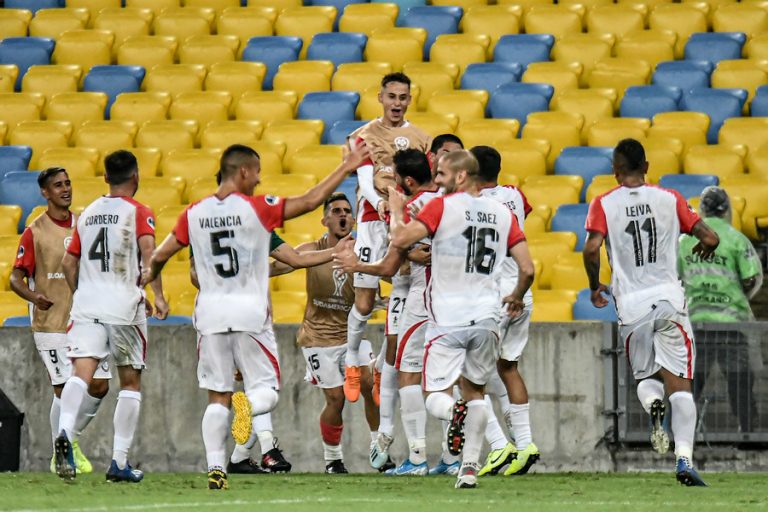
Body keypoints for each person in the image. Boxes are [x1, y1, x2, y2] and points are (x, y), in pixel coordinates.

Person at [143, 142, 369, 490]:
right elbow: (310, 202)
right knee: (266, 392)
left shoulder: (193, 213)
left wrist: (156, 292)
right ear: (244, 171)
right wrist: (346, 166)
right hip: (250, 314)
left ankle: (216, 467)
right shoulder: (257, 209)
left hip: (209, 315)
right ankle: (248, 407)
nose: (259, 180)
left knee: (217, 397)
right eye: (257, 173)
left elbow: (159, 256)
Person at [391, 150, 534, 488]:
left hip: (447, 318)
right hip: (487, 318)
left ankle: (453, 412)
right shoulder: (503, 212)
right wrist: (516, 294)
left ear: (460, 176)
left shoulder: (441, 207)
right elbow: (527, 268)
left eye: (441, 173)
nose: (436, 180)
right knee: (476, 393)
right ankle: (468, 469)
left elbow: (400, 240)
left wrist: (397, 210)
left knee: (435, 395)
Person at [583, 138, 719, 487]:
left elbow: (592, 247)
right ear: (646, 167)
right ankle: (684, 459)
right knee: (681, 385)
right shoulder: (670, 198)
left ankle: (653, 403)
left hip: (632, 305)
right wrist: (706, 245)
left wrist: (595, 285)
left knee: (645, 378)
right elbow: (709, 237)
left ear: (615, 171)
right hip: (669, 300)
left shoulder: (603, 203)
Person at [55, 150, 170, 482]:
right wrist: (157, 296)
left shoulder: (87, 213)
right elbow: (150, 256)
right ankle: (119, 462)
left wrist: (82, 292)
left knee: (81, 372)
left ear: (105, 177)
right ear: (136, 176)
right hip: (123, 305)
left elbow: (68, 263)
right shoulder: (139, 212)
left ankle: (65, 432)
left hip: (87, 304)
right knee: (130, 382)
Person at [10, 167, 110, 475]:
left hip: (86, 320)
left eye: (68, 183)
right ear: (45, 193)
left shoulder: (84, 225)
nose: (65, 189)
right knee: (65, 389)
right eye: (57, 185)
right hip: (51, 323)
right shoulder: (35, 231)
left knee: (100, 387)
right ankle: (62, 452)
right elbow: (15, 278)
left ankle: (68, 439)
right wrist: (33, 296)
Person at [343, 72, 431, 403]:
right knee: (365, 303)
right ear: (380, 97)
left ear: (410, 100)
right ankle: (352, 359)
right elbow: (365, 180)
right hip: (372, 219)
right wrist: (380, 202)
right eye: (391, 96)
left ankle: (381, 366)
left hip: (406, 220)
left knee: (403, 294)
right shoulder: (364, 135)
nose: (397, 103)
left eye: (402, 97)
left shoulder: (422, 139)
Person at [295, 192, 382, 473]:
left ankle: (378, 448)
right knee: (336, 398)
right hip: (317, 337)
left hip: (351, 336)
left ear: (353, 220)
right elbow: (280, 264)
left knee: (370, 386)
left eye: (347, 211)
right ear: (324, 220)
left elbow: (377, 285)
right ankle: (333, 459)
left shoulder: (363, 252)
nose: (343, 214)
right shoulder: (311, 250)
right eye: (336, 211)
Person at [473, 146, 540, 476]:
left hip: (496, 296)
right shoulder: (514, 194)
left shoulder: (474, 204)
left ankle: (499, 445)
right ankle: (526, 445)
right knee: (508, 367)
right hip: (522, 293)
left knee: (467, 376)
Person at [678, 186, 763, 433]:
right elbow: (752, 278)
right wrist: (736, 297)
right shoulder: (737, 239)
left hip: (696, 323)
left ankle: (679, 434)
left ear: (702, 210)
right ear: (727, 210)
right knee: (740, 381)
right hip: (730, 324)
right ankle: (746, 432)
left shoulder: (684, 241)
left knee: (690, 383)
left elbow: (673, 278)